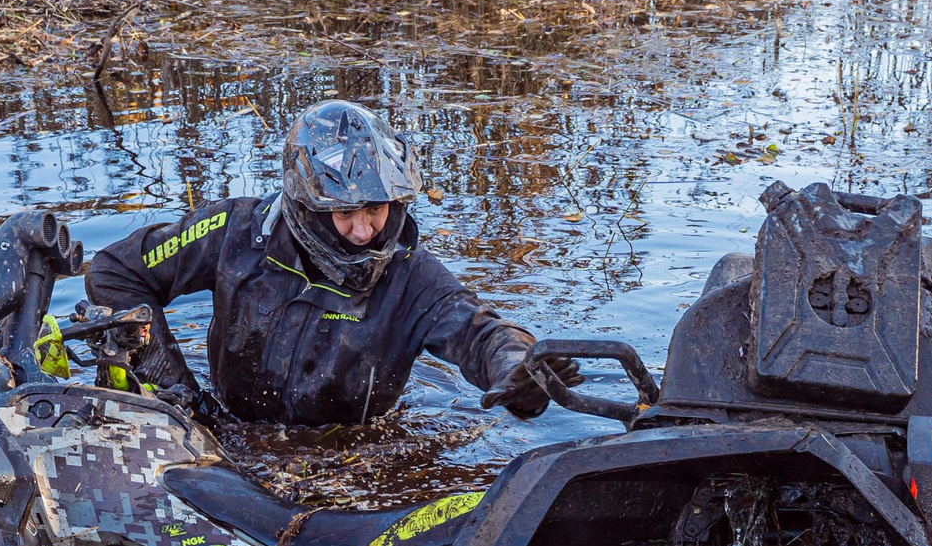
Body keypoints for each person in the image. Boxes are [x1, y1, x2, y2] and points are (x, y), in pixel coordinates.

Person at [81, 100, 578, 426]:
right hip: (227, 427)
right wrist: (177, 396)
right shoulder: (234, 231)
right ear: (307, 206)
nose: (364, 231)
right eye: (345, 213)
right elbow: (116, 272)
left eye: (376, 210)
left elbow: (481, 334)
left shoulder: (410, 274)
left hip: (348, 450)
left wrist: (519, 371)